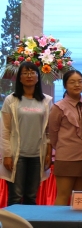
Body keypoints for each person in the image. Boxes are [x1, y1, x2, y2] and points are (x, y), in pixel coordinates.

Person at [1, 62, 53, 205]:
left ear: (38, 77)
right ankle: (13, 221)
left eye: (32, 72)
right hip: (17, 155)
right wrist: (6, 155)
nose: (29, 76)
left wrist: (48, 153)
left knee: (31, 196)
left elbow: (49, 131)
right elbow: (4, 130)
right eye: (25, 73)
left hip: (37, 155)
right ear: (19, 78)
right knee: (16, 196)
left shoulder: (47, 100)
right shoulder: (11, 100)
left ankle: (30, 221)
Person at [50, 69, 82, 205]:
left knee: (80, 197)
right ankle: (56, 220)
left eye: (80, 81)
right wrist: (64, 147)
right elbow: (53, 134)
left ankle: (78, 220)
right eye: (72, 82)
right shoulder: (58, 107)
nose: (77, 85)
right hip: (66, 157)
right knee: (63, 195)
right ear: (65, 85)